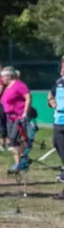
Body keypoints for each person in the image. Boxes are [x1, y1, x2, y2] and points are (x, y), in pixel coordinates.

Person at [0, 67, 31, 173]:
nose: (1, 78)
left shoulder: (19, 85)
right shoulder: (7, 87)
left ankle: (23, 161)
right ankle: (18, 164)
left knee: (14, 140)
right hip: (10, 118)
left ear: (9, 76)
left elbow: (28, 97)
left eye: (3, 76)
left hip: (19, 117)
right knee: (13, 142)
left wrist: (25, 112)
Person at [48, 56, 64, 190]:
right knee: (57, 145)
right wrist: (53, 103)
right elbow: (50, 96)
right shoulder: (59, 82)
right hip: (59, 121)